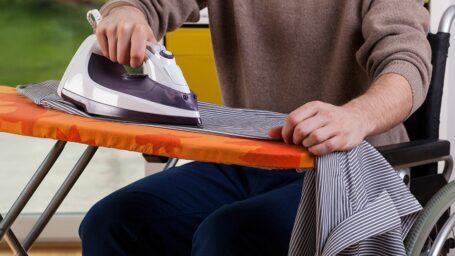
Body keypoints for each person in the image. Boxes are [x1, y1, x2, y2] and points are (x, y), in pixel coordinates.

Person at [79, 0, 432, 255]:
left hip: (347, 167)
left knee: (230, 235)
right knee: (112, 221)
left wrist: (356, 116)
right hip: (249, 156)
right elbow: (150, 4)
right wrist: (126, 12)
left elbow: (407, 63)